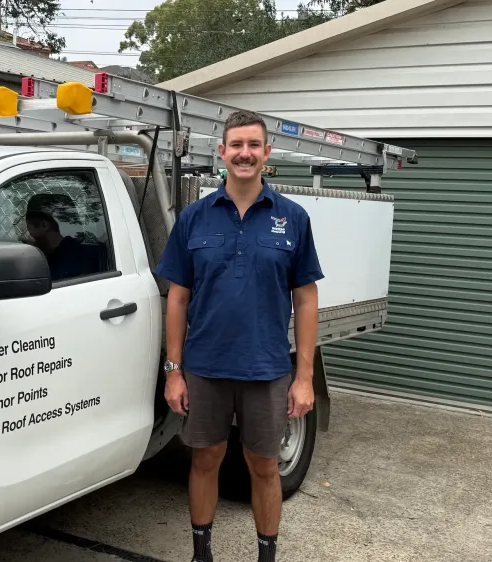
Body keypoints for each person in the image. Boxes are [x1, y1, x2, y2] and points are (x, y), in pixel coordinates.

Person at [154, 110, 324, 562]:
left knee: (264, 466)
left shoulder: (292, 219)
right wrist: (174, 371)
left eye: (253, 145)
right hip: (205, 368)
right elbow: (177, 298)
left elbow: (306, 300)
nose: (244, 153)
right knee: (205, 461)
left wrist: (303, 377)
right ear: (222, 153)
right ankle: (201, 553)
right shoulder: (194, 218)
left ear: (267, 154)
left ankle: (266, 555)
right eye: (236, 145)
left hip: (266, 369)